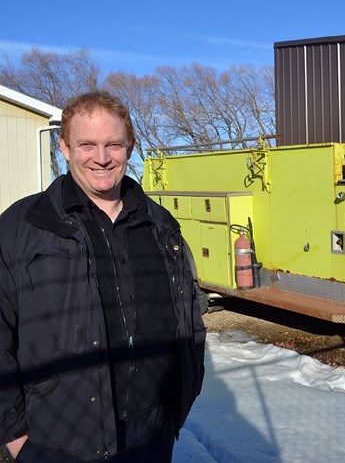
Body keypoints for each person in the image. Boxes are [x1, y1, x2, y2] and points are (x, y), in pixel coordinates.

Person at [0, 91, 206, 462]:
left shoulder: (160, 224)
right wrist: (14, 435)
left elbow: (187, 317)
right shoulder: (21, 226)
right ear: (64, 147)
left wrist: (179, 400)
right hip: (59, 438)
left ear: (129, 146)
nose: (102, 157)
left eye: (114, 144)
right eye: (87, 144)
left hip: (151, 430)